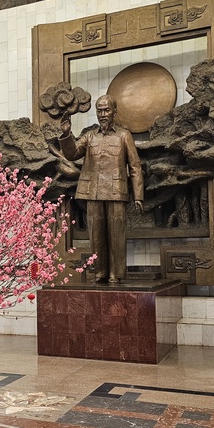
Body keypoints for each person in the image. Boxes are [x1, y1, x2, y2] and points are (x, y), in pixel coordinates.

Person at [59, 95, 144, 285]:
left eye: (106, 110)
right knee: (96, 236)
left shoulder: (124, 135)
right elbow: (72, 153)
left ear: (114, 111)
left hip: (116, 191)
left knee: (116, 236)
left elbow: (135, 166)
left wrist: (138, 195)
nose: (103, 114)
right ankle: (100, 272)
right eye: (99, 110)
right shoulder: (90, 136)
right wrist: (66, 135)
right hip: (93, 192)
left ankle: (116, 273)